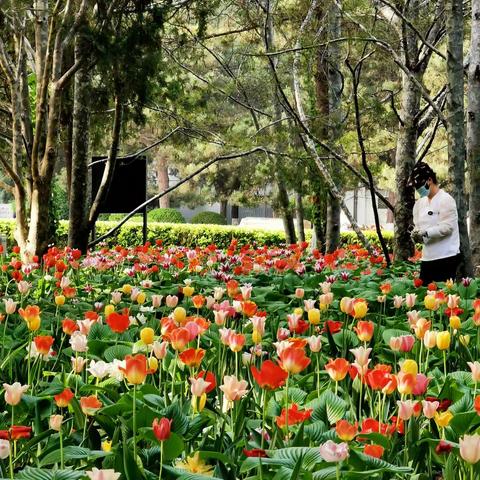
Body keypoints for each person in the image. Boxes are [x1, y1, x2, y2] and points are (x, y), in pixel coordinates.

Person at [407, 162, 460, 284]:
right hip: (427, 258)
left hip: (446, 257)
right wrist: (416, 235)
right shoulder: (419, 204)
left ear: (429, 180)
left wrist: (426, 233)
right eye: (416, 187)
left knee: (444, 298)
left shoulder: (446, 200)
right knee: (426, 297)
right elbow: (418, 227)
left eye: (419, 185)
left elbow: (447, 227)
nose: (418, 189)